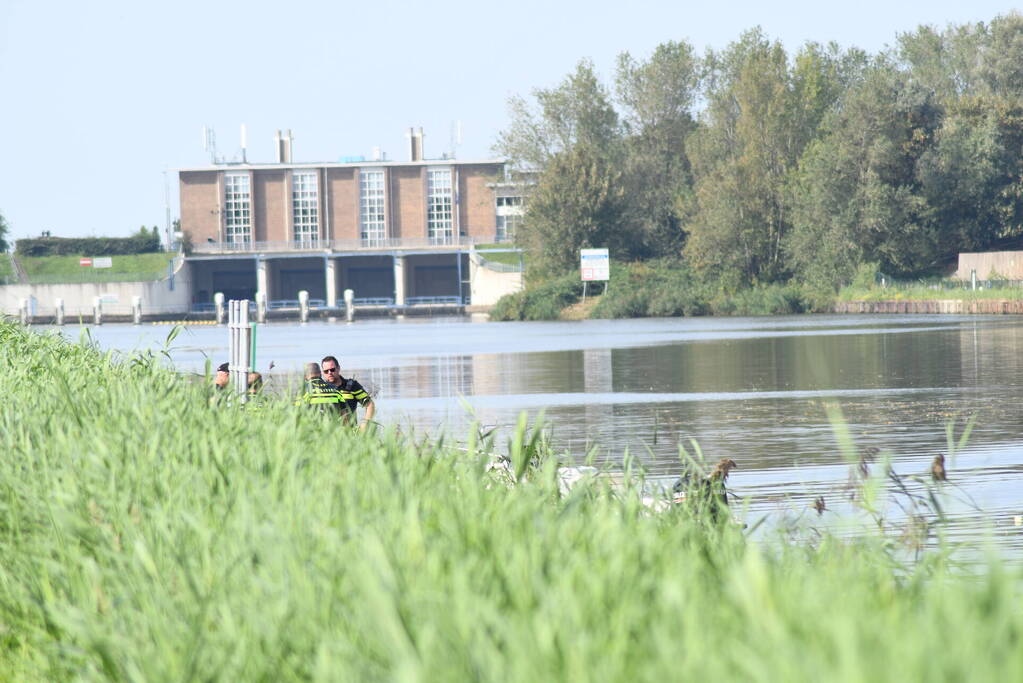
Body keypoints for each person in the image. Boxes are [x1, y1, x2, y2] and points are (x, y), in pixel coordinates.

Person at [320, 355, 375, 431]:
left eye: (332, 369)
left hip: (350, 433)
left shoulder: (352, 385)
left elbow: (369, 404)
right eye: (326, 371)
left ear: (338, 368)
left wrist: (365, 424)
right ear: (323, 372)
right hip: (330, 435)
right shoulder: (321, 389)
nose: (329, 373)